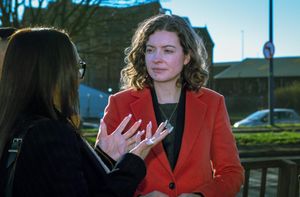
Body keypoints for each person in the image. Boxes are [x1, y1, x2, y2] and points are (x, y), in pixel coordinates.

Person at [0, 27, 170, 197]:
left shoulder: (12, 124)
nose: (79, 77)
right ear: (56, 72)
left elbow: (64, 182)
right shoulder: (50, 133)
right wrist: (132, 165)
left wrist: (103, 158)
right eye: (76, 66)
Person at [98, 14, 244, 197]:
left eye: (168, 50)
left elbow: (231, 172)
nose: (156, 59)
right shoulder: (119, 103)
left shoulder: (213, 103)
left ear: (186, 57)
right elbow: (100, 174)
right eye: (150, 50)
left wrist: (201, 196)